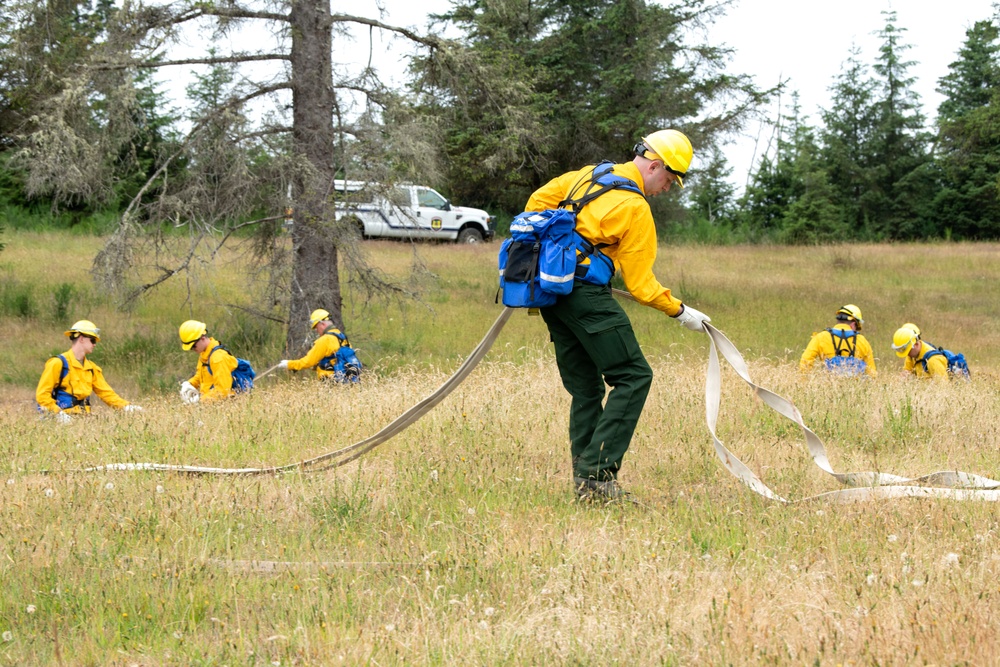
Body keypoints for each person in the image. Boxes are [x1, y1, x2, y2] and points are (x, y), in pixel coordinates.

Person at [523, 129, 711, 501]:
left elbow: (536, 203)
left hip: (551, 293)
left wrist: (556, 253)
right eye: (670, 180)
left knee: (587, 388)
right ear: (655, 165)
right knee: (634, 376)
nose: (668, 188)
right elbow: (641, 285)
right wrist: (682, 312)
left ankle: (586, 482)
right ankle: (597, 477)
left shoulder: (587, 174)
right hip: (586, 298)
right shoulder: (635, 207)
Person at [35, 320, 142, 421]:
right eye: (92, 340)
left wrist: (126, 407)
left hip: (83, 421)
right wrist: (58, 414)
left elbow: (106, 393)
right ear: (81, 339)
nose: (95, 344)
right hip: (59, 421)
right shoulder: (58, 363)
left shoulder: (92, 368)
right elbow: (42, 395)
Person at [277, 309, 362, 382]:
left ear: (322, 324)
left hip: (330, 382)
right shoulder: (342, 337)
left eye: (316, 327)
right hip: (346, 381)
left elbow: (308, 362)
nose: (316, 330)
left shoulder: (324, 340)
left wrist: (289, 364)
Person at [799, 304, 877, 377]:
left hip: (828, 388)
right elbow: (872, 373)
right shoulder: (863, 341)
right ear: (853, 325)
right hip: (855, 388)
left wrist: (805, 383)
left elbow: (806, 361)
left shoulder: (820, 337)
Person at [178, 320, 241, 403]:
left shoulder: (218, 358)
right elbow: (201, 376)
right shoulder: (205, 355)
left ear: (202, 338)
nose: (192, 349)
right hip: (210, 404)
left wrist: (200, 400)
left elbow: (223, 391)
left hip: (225, 405)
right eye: (190, 348)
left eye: (193, 346)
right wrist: (189, 384)